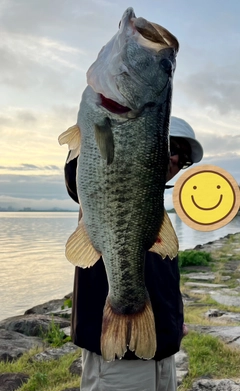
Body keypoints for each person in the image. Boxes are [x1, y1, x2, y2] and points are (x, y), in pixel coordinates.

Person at [64, 116, 203, 391]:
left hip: (161, 350)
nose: (176, 160)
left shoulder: (156, 209)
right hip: (115, 354)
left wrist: (174, 323)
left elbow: (159, 279)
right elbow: (77, 172)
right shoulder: (104, 178)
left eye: (184, 158)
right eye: (172, 147)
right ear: (145, 142)